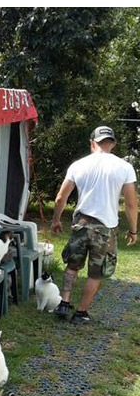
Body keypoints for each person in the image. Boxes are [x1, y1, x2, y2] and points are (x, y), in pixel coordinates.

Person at [51, 126, 138, 324]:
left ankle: (64, 303)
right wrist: (133, 230)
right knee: (96, 273)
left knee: (72, 266)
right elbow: (131, 204)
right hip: (105, 228)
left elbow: (60, 198)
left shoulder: (78, 165)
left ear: (92, 143)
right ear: (113, 144)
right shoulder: (124, 167)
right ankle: (81, 313)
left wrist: (56, 220)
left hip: (81, 224)